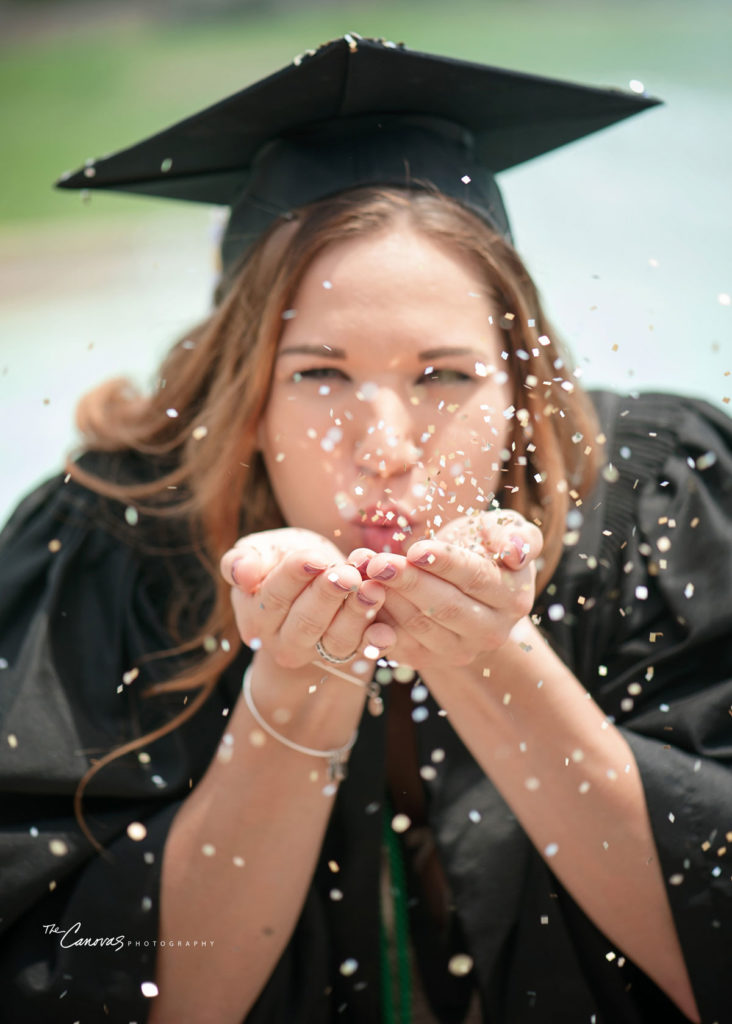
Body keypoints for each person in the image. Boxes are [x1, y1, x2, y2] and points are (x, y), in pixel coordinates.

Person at [0, 34, 730, 1024]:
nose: (385, 446)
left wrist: (487, 659)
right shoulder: (110, 546)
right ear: (244, 391)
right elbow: (78, 988)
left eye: (444, 374)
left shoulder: (660, 504)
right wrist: (293, 696)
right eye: (319, 373)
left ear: (522, 381)